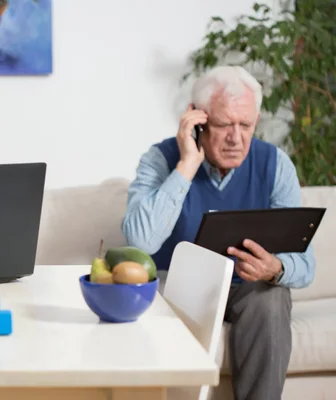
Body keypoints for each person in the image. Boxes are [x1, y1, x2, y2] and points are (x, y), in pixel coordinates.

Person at [121, 65, 315, 400]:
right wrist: (186, 165)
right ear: (197, 120)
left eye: (246, 125)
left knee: (272, 297)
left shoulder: (275, 164)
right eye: (225, 124)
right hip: (180, 290)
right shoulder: (161, 159)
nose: (236, 138)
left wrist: (276, 268)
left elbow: (305, 264)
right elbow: (140, 240)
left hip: (247, 291)